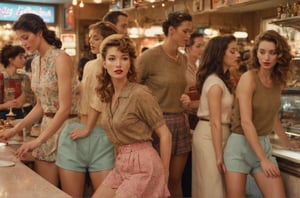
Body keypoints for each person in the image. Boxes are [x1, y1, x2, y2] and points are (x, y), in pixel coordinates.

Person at [0, 13, 78, 186]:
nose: (24, 43)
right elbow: (41, 106)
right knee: (46, 190)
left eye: (26, 37)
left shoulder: (61, 58)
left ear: (40, 32)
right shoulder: (35, 61)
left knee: (67, 192)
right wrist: (15, 129)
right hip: (46, 128)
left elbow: (65, 108)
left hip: (67, 130)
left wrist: (38, 140)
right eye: (21, 39)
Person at [92, 34, 172, 198]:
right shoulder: (108, 95)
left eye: (124, 58)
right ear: (104, 63)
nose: (119, 64)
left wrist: (164, 174)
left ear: (131, 63)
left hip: (144, 165)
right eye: (112, 59)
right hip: (121, 164)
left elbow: (165, 134)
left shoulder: (140, 93)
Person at [224, 30, 300, 198]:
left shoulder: (278, 81)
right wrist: (263, 159)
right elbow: (246, 122)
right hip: (240, 147)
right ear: (256, 53)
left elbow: (272, 115)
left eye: (272, 53)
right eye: (262, 52)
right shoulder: (248, 78)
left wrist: (287, 141)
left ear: (279, 55)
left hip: (263, 145)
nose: (266, 58)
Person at [55, 21, 118, 197]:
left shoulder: (101, 65)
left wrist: (88, 128)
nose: (91, 42)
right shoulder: (99, 65)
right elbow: (86, 96)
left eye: (96, 38)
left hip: (91, 131)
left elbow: (99, 100)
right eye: (90, 38)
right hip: (88, 131)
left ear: (108, 40)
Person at [136, 11, 193, 197]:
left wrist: (185, 97)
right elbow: (132, 88)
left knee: (175, 180)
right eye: (185, 31)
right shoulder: (150, 57)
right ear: (171, 30)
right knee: (157, 179)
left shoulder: (183, 58)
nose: (188, 36)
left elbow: (179, 87)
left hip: (180, 122)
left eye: (189, 32)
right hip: (157, 124)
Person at [192, 35, 240, 198]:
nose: (238, 55)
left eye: (237, 51)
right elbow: (215, 122)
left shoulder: (222, 80)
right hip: (209, 136)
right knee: (212, 187)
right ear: (220, 54)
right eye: (232, 51)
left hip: (218, 133)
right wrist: (219, 154)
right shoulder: (215, 84)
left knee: (216, 186)